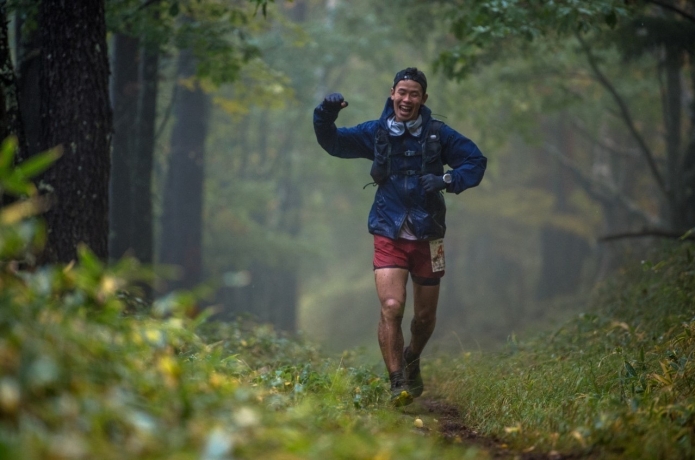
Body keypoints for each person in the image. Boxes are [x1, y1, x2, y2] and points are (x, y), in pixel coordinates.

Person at [313, 67, 487, 407]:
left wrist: (447, 181)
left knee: (423, 319)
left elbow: (475, 162)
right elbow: (332, 143)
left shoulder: (439, 135)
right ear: (392, 92)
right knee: (392, 306)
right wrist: (325, 113)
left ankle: (412, 356)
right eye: (402, 92)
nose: (406, 99)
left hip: (430, 233)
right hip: (388, 228)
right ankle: (397, 384)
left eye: (414, 94)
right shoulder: (375, 132)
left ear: (423, 99)